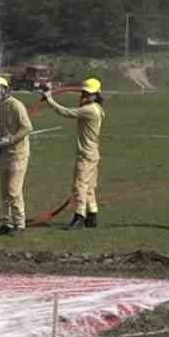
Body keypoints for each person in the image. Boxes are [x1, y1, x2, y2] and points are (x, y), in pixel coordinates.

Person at [41, 77, 105, 229]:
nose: (85, 95)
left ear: (96, 94)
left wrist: (49, 98)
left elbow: (65, 112)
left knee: (80, 186)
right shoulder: (96, 108)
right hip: (93, 153)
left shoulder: (89, 110)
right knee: (89, 187)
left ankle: (79, 217)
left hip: (86, 155)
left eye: (88, 93)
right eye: (84, 92)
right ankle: (92, 215)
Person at [0, 76, 32, 236]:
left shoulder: (16, 105)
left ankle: (20, 225)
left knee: (14, 191)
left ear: (5, 89)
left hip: (18, 154)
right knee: (4, 191)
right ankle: (7, 223)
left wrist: (10, 140)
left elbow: (27, 127)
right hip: (4, 154)